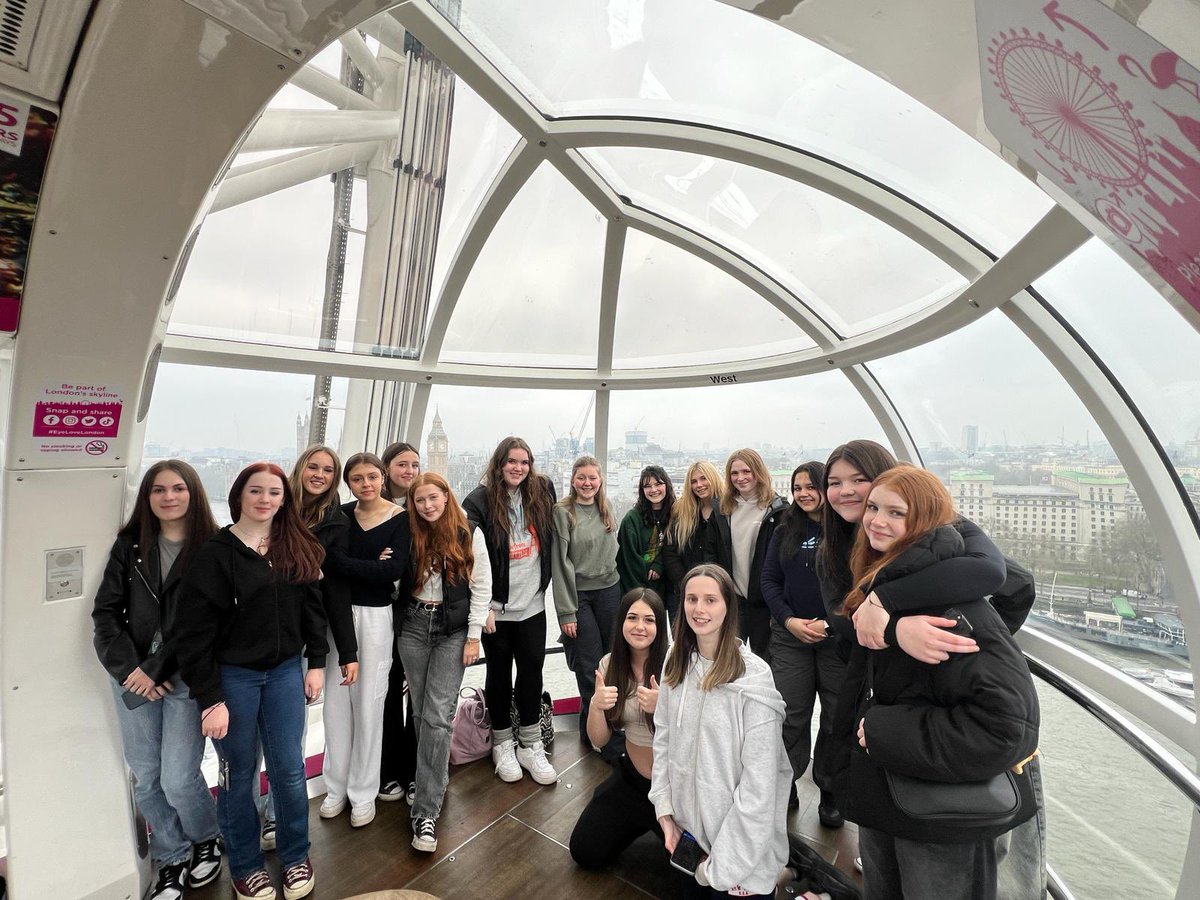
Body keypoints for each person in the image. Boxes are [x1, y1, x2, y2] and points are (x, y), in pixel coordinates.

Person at [830, 466, 1040, 900]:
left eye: (896, 513)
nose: (876, 521)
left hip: (941, 820)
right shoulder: (891, 587)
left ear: (925, 521)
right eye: (874, 508)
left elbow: (1004, 727)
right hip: (895, 794)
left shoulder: (952, 610)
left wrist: (884, 730)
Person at [175, 462, 327, 900]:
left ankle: (296, 855)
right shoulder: (215, 554)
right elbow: (194, 633)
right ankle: (245, 864)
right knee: (238, 775)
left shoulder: (296, 545)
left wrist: (315, 662)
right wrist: (210, 699)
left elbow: (311, 608)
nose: (265, 500)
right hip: (234, 678)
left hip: (283, 674)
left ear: (285, 499)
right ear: (239, 494)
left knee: (289, 771)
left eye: (274, 493)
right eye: (256, 491)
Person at [92, 461, 223, 900]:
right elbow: (105, 614)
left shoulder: (214, 547)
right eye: (159, 490)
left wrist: (158, 671)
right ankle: (171, 856)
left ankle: (207, 837)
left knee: (178, 777)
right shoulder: (130, 546)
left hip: (186, 676)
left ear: (193, 493)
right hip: (132, 676)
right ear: (147, 497)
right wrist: (132, 671)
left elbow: (209, 622)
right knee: (146, 776)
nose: (169, 497)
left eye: (178, 488)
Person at [243, 446, 359, 855]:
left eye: (329, 470)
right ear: (300, 468)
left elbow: (335, 588)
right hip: (261, 636)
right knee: (248, 742)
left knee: (288, 733)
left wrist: (345, 650)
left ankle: (278, 813)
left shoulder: (336, 520)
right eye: (314, 466)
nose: (320, 475)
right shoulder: (272, 512)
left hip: (308, 632)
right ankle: (246, 816)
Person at [650, 564, 790, 899]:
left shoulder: (754, 678)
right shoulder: (676, 659)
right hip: (688, 843)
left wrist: (722, 867)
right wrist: (665, 810)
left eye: (711, 600)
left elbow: (760, 785)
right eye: (692, 599)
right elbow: (664, 738)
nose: (699, 609)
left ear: (728, 607)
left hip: (738, 860)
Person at [398, 472, 494, 852]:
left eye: (432, 498)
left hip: (451, 630)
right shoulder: (406, 532)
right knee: (421, 713)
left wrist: (473, 637)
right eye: (419, 500)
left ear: (445, 496)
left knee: (437, 714)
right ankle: (432, 777)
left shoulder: (469, 531)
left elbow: (481, 586)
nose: (427, 506)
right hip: (413, 625)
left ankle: (425, 811)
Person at [318, 452, 408, 829]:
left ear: (383, 478)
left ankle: (363, 791)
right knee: (336, 705)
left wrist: (349, 562)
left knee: (371, 703)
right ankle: (335, 787)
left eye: (372, 476)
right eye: (357, 479)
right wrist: (371, 563)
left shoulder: (400, 519)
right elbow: (328, 562)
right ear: (348, 483)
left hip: (376, 617)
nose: (366, 484)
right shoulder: (340, 516)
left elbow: (393, 570)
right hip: (337, 615)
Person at [462, 436, 559, 785]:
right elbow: (467, 551)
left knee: (532, 671)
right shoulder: (480, 501)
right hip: (497, 610)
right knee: (499, 674)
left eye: (524, 462)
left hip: (532, 604)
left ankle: (530, 743)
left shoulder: (541, 492)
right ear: (499, 463)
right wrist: (482, 605)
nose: (518, 468)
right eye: (511, 461)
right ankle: (502, 743)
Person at [760, 460, 846, 823]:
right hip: (790, 636)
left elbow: (858, 586)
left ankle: (830, 790)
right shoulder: (785, 529)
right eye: (798, 488)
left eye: (812, 486)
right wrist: (789, 620)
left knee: (835, 715)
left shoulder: (846, 531)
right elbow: (769, 580)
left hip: (836, 638)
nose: (804, 494)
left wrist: (831, 623)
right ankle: (788, 782)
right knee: (790, 715)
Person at [569, 588, 668, 870]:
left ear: (660, 626)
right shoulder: (609, 664)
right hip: (633, 780)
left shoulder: (677, 665)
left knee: (700, 870)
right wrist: (597, 706)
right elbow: (600, 740)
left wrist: (665, 709)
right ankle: (638, 820)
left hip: (674, 786)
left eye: (649, 620)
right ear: (621, 622)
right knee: (585, 850)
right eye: (632, 617)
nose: (640, 626)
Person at [552, 455, 621, 739]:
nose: (587, 483)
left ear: (600, 480)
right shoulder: (563, 511)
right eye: (581, 477)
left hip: (610, 591)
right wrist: (566, 612)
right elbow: (560, 563)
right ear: (572, 480)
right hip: (580, 595)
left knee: (614, 659)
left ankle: (614, 727)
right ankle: (591, 731)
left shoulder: (607, 507)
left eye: (592, 478)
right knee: (589, 663)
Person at [378, 440, 420, 805]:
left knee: (418, 696)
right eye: (402, 465)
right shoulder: (372, 509)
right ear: (387, 468)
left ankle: (414, 770)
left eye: (415, 465)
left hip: (414, 611)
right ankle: (387, 769)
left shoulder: (422, 506)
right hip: (380, 613)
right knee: (390, 691)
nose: (409, 471)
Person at [719, 449, 785, 660]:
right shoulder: (723, 510)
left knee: (764, 661)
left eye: (746, 471)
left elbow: (782, 562)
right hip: (734, 600)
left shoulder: (777, 510)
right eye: (734, 473)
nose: (740, 478)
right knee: (729, 660)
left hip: (763, 603)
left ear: (758, 472)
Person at [662, 461, 730, 622]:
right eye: (693, 481)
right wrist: (684, 582)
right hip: (685, 591)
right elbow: (670, 551)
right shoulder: (683, 510)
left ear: (713, 478)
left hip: (719, 590)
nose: (699, 485)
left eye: (703, 478)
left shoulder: (728, 509)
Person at [617, 465, 675, 600]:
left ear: (667, 485)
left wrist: (659, 564)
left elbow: (674, 550)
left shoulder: (675, 515)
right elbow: (628, 560)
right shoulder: (631, 519)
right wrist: (641, 593)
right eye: (647, 486)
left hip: (666, 591)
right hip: (636, 591)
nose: (653, 490)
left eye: (658, 484)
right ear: (642, 490)